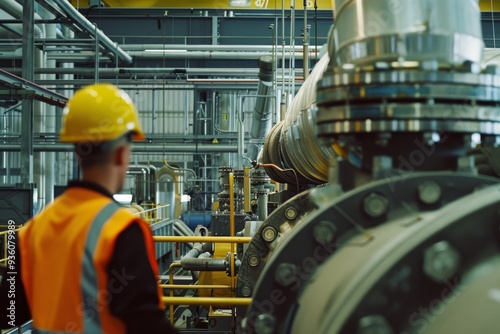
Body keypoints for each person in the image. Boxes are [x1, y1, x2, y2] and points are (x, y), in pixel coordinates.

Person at [0, 83, 178, 333]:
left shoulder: (30, 233)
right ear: (120, 153)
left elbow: (10, 313)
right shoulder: (122, 231)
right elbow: (146, 324)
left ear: (78, 152)